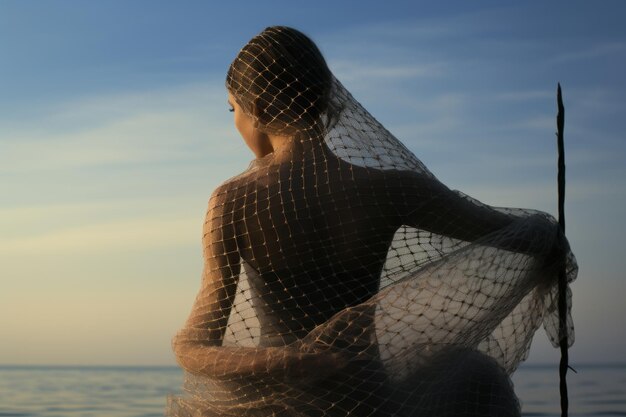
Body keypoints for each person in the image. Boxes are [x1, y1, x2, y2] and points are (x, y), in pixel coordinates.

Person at [167, 26, 576, 417]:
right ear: (327, 97)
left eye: (232, 109)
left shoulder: (234, 201)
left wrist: (289, 360)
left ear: (254, 108)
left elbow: (194, 347)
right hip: (371, 403)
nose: (235, 122)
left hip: (276, 406)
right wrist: (552, 244)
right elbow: (531, 236)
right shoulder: (392, 189)